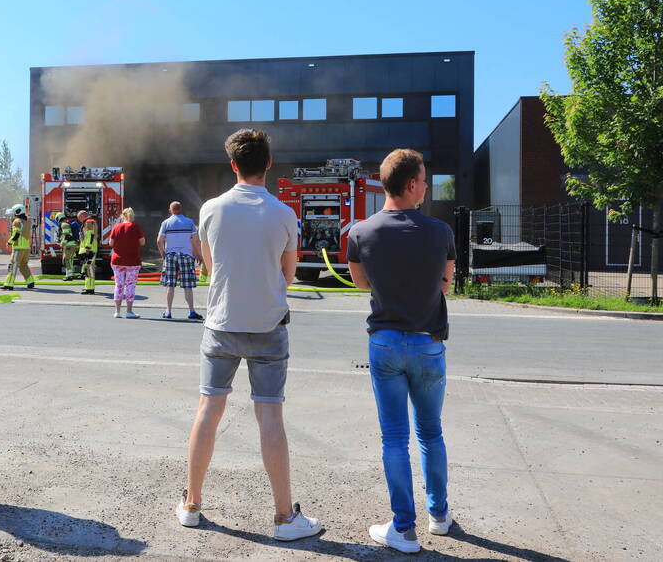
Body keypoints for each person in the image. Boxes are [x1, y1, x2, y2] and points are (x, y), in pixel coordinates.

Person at [176, 129, 322, 541]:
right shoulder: (283, 214)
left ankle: (191, 504)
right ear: (269, 163)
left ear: (234, 165)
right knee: (270, 416)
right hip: (268, 326)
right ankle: (283, 518)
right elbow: (289, 274)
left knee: (208, 410)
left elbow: (207, 267)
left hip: (221, 325)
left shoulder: (210, 209)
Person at [346, 148, 456, 554]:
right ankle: (440, 516)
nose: (427, 186)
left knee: (394, 437)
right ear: (411, 184)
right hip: (428, 343)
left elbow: (360, 284)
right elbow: (446, 283)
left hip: (386, 343)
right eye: (424, 179)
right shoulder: (441, 232)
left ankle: (404, 529)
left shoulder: (360, 232)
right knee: (431, 432)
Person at [157, 201, 203, 320]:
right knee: (187, 286)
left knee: (170, 285)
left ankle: (168, 312)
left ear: (170, 210)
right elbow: (196, 241)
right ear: (181, 210)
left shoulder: (166, 223)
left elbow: (159, 241)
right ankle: (192, 312)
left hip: (171, 256)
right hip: (186, 256)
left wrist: (164, 255)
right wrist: (198, 255)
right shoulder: (190, 222)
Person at [108, 207, 145, 318]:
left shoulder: (116, 227)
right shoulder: (135, 227)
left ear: (122, 216)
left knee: (118, 285)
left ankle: (117, 312)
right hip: (133, 261)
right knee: (130, 285)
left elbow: (111, 243)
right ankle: (129, 311)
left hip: (117, 260)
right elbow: (142, 242)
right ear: (132, 216)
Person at [1, 204, 35, 290]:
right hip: (26, 248)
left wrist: (9, 242)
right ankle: (30, 282)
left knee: (13, 265)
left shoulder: (17, 221)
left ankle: (9, 284)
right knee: (24, 265)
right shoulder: (28, 221)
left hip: (18, 248)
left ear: (18, 211)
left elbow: (16, 234)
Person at [77, 214, 99, 295]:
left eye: (79, 217)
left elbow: (90, 235)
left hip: (89, 249)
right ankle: (89, 287)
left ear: (82, 216)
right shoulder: (92, 222)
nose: (79, 220)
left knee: (88, 269)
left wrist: (87, 248)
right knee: (89, 269)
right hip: (92, 248)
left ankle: (89, 288)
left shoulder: (88, 222)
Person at [54, 212, 79, 280]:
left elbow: (67, 235)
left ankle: (69, 276)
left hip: (69, 245)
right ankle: (70, 275)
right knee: (69, 260)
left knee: (66, 260)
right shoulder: (66, 224)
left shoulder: (64, 224)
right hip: (71, 244)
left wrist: (62, 243)